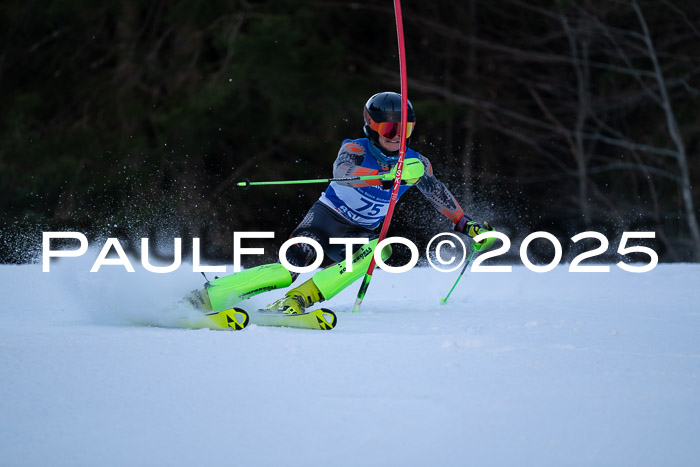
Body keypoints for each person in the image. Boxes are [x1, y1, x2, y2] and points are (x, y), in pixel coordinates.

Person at [186, 92, 495, 314]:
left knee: (379, 249)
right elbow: (343, 172)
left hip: (358, 235)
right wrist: (383, 175)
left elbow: (437, 193)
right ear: (373, 127)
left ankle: (299, 301)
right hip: (326, 221)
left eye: (406, 130)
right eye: (390, 130)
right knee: (293, 264)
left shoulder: (416, 164)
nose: (398, 137)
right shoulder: (355, 148)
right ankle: (210, 296)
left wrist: (466, 224)